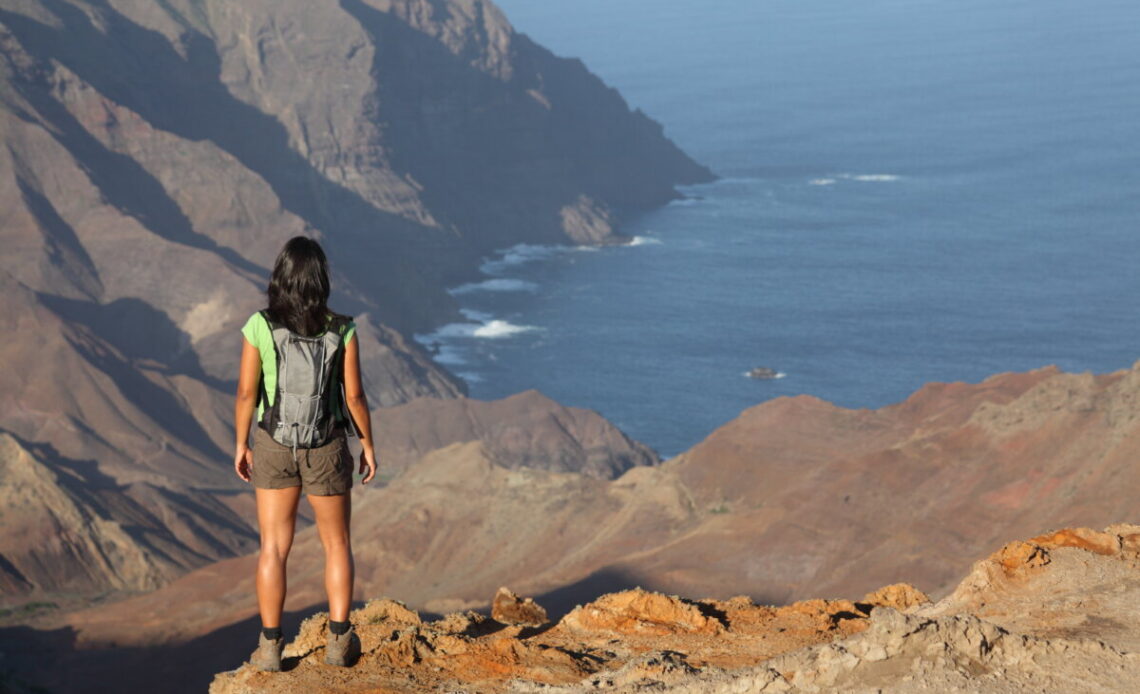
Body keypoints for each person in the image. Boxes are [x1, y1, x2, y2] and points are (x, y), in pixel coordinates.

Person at [233, 236, 377, 671]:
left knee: (273, 548)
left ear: (280, 277)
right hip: (327, 445)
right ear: (321, 280)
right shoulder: (342, 328)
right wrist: (368, 442)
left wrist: (240, 443)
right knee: (337, 544)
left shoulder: (259, 325)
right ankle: (337, 643)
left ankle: (271, 647)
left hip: (273, 444)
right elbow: (353, 397)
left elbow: (245, 393)